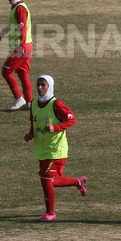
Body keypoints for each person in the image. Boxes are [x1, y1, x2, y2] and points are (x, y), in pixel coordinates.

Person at [24, 75, 86, 222]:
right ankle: (78, 182)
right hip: (42, 148)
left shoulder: (56, 104)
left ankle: (50, 213)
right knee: (49, 180)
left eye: (43, 85)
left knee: (46, 180)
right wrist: (30, 134)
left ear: (50, 86)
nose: (39, 88)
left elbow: (72, 119)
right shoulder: (33, 104)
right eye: (38, 85)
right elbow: (34, 122)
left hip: (56, 149)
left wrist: (55, 127)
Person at [0, 0, 33, 111]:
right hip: (26, 45)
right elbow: (15, 25)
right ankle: (29, 102)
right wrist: (4, 30)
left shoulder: (20, 9)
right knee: (22, 73)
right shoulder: (15, 7)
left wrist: (21, 45)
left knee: (6, 71)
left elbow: (23, 28)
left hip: (22, 46)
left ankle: (19, 99)